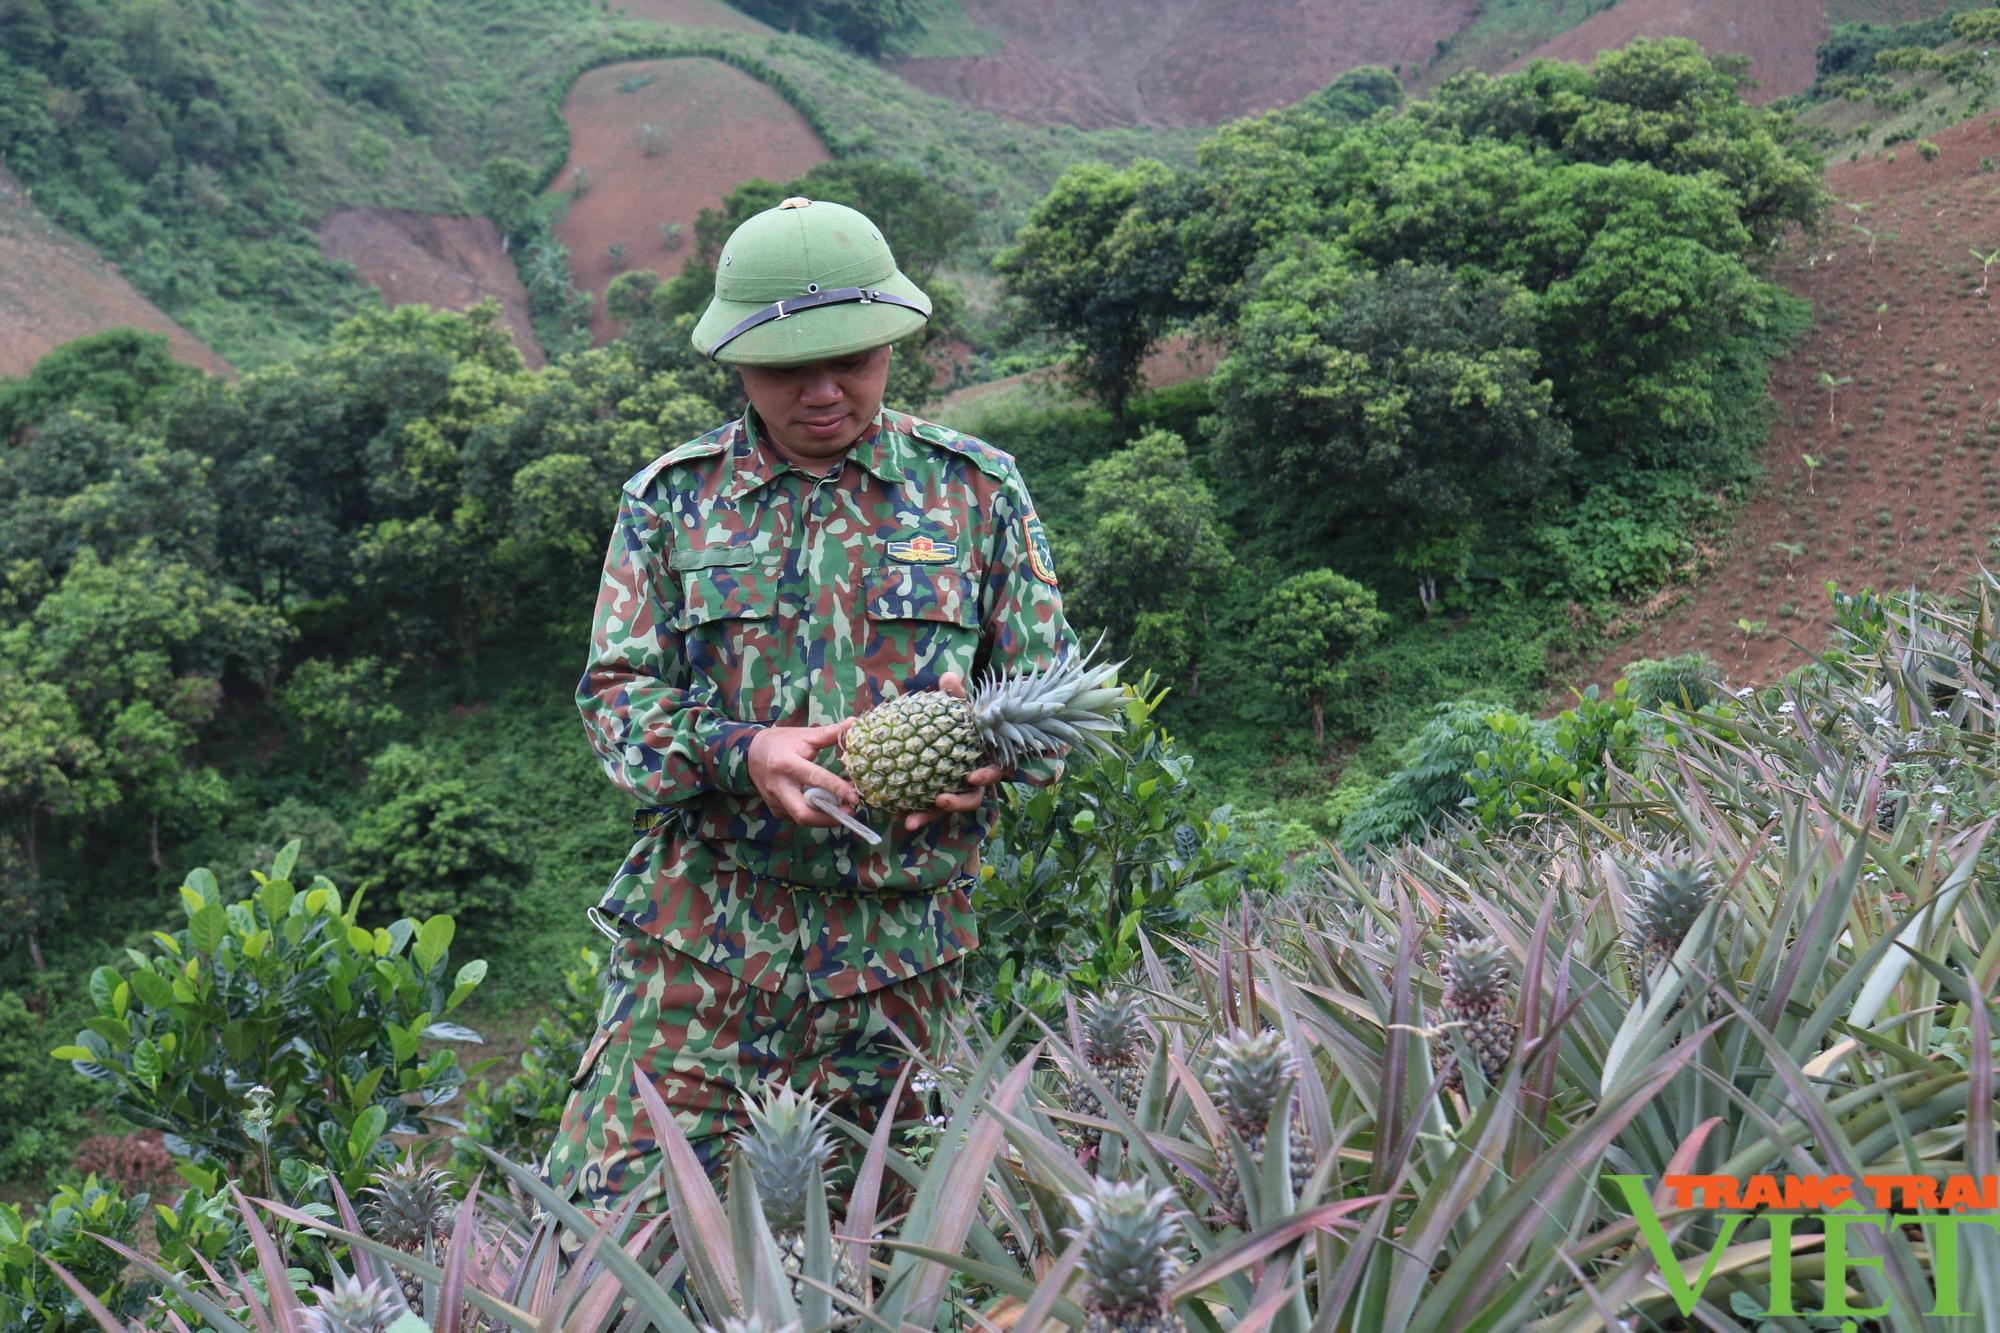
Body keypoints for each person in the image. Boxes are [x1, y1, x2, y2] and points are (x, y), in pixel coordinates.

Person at [541, 197, 1079, 1223]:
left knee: (892, 1247)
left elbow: (1044, 697)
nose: (826, 391)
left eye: (855, 360)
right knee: (608, 1230)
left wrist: (991, 761)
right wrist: (741, 750)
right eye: (790, 368)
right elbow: (616, 702)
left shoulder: (978, 493)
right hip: (702, 945)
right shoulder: (671, 501)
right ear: (735, 361)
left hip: (903, 956)